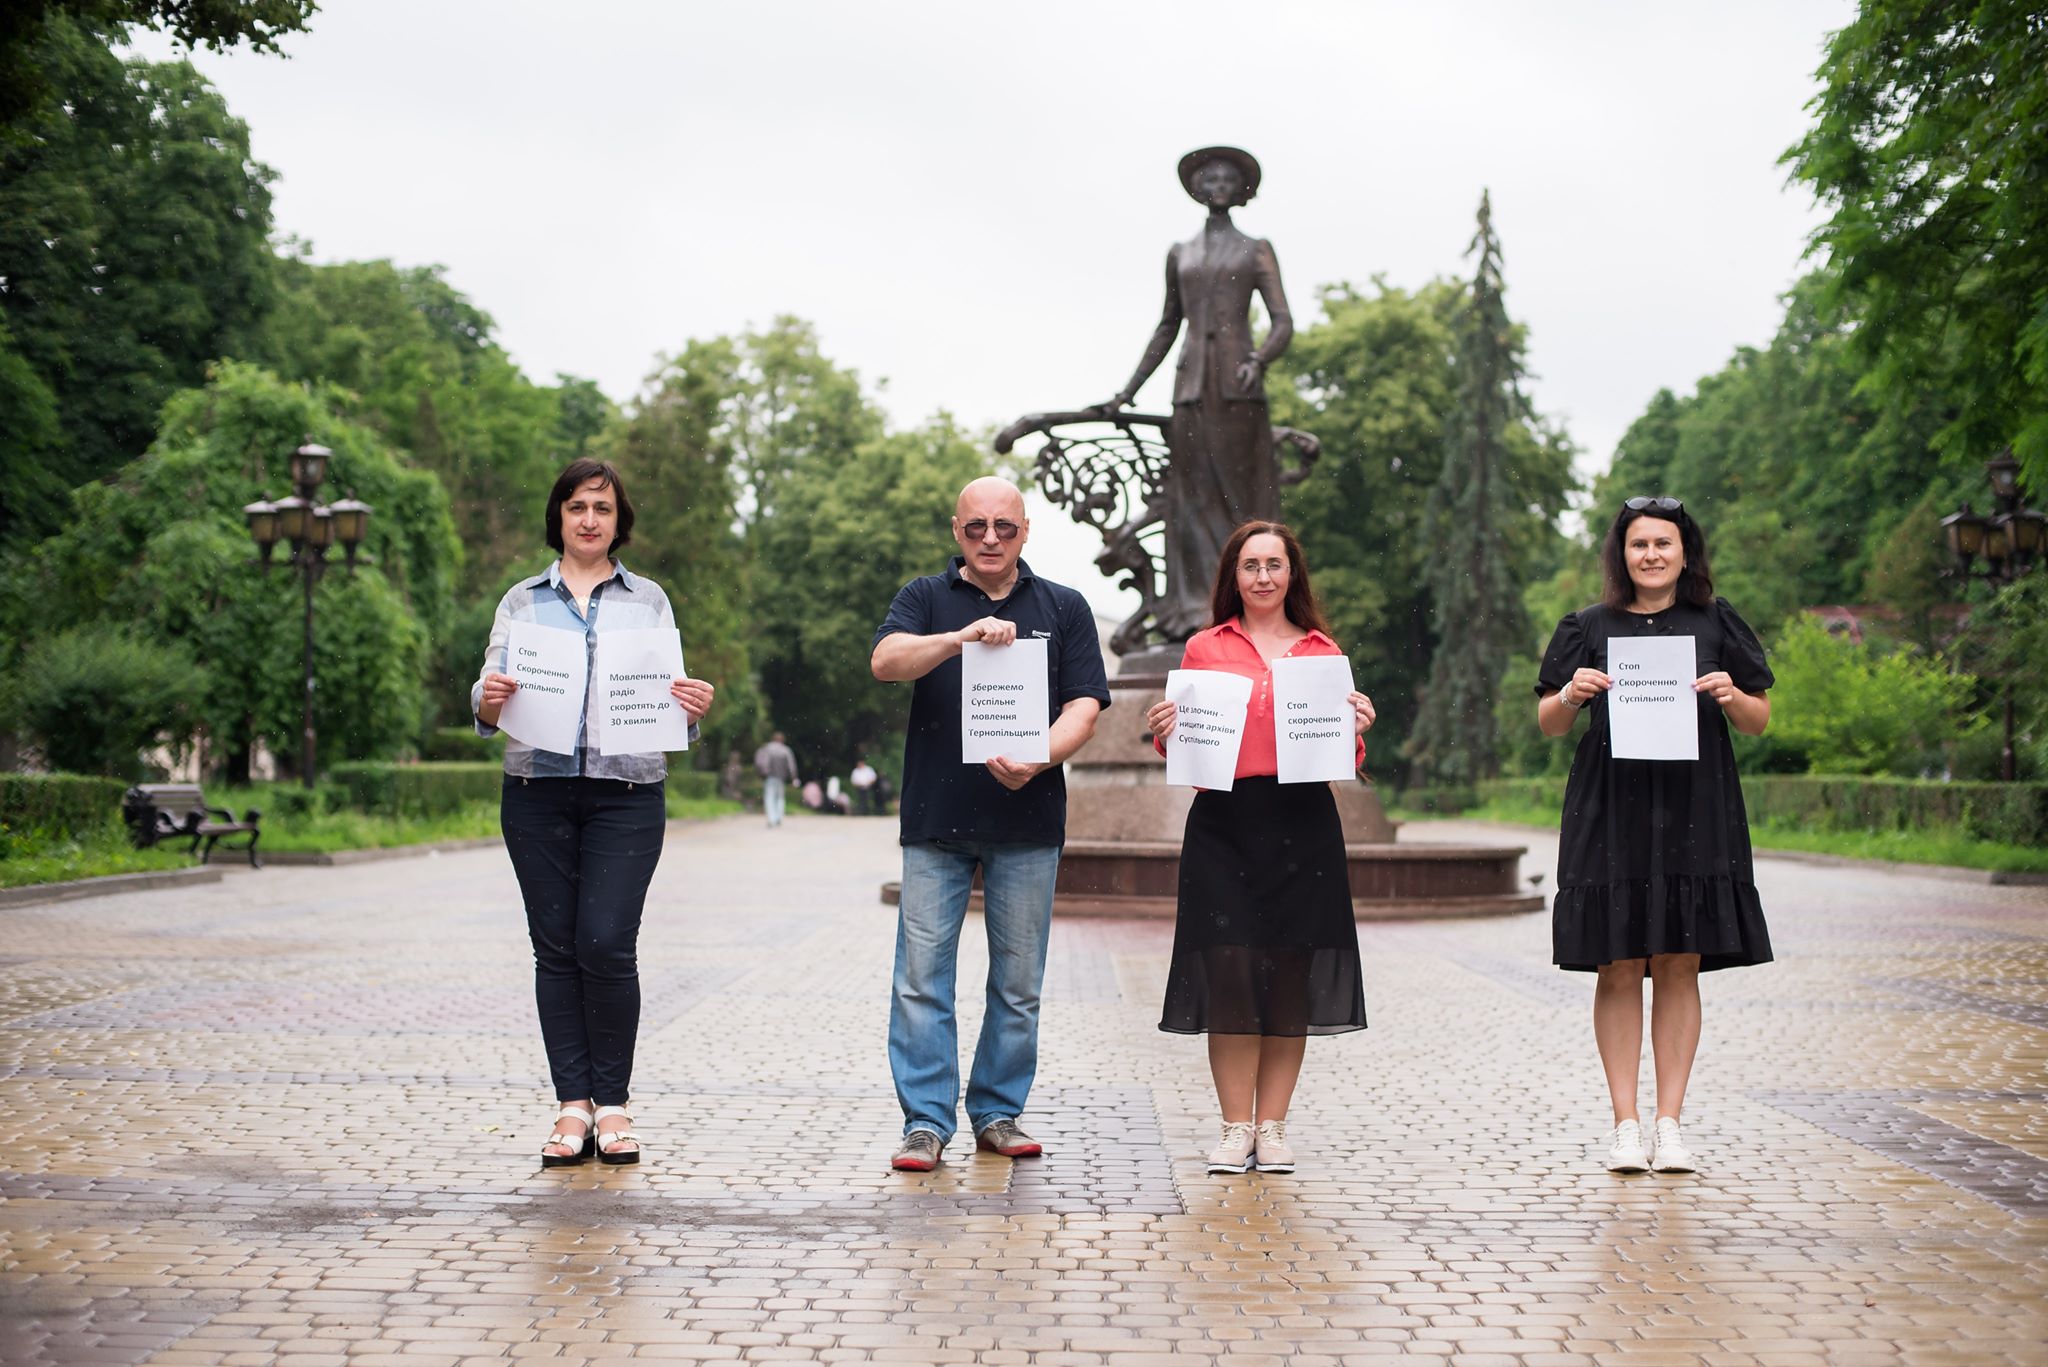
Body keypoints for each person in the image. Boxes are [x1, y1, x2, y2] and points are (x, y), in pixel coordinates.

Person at [473, 457, 716, 1169]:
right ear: (558, 515)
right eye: (577, 505)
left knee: (606, 942)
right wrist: (488, 698)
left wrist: (691, 710)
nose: (588, 519)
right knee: (555, 947)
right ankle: (571, 1106)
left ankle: (613, 1102)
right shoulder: (522, 601)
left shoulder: (650, 601)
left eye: (602, 509)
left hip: (628, 793)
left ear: (619, 521)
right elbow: (486, 692)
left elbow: (670, 698)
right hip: (536, 790)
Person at [871, 476, 1111, 1171]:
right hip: (935, 818)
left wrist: (1039, 757)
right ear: (957, 530)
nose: (990, 539)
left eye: (1004, 526)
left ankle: (998, 1112)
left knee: (1018, 981)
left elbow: (1085, 708)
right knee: (920, 977)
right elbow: (886, 660)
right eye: (976, 527)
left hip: (1029, 819)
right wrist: (956, 638)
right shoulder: (925, 597)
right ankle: (925, 1121)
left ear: (1025, 530)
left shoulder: (1063, 606)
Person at [1535, 496, 1775, 1175]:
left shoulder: (1716, 620)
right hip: (1611, 805)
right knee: (1616, 961)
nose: (1651, 555)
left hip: (1696, 803)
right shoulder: (1587, 626)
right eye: (1639, 544)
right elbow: (1549, 722)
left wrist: (1733, 694)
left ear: (1685, 551)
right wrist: (1571, 693)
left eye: (1663, 544)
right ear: (1622, 554)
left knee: (1677, 958)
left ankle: (1670, 1123)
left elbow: (1759, 719)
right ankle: (1625, 1124)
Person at [1145, 521, 1372, 1174]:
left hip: (1303, 822)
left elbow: (1342, 758)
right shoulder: (1203, 647)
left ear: (1292, 574)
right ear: (1234, 576)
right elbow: (1186, 749)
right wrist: (1166, 730)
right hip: (1223, 822)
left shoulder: (1324, 652)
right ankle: (1234, 1126)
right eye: (1251, 565)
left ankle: (1273, 1127)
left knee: (1289, 977)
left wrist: (1355, 727)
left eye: (1275, 564)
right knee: (1231, 975)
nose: (1264, 576)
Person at [1099, 146, 1296, 638]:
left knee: (1240, 500)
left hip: (1238, 389)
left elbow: (1283, 322)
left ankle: (1249, 607)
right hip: (1189, 388)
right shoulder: (1180, 253)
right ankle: (1191, 611)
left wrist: (1259, 360)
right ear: (1196, 188)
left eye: (1227, 177)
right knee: (1190, 500)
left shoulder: (1256, 248)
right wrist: (1126, 393)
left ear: (1241, 189)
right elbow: (1167, 327)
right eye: (1208, 177)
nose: (1217, 184)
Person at [754, 731, 798, 828]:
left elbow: (759, 762)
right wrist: (794, 778)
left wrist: (760, 773)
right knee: (780, 798)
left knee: (769, 798)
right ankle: (778, 818)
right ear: (782, 740)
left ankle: (771, 819)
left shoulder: (766, 748)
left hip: (769, 777)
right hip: (781, 778)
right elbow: (791, 766)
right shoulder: (786, 750)